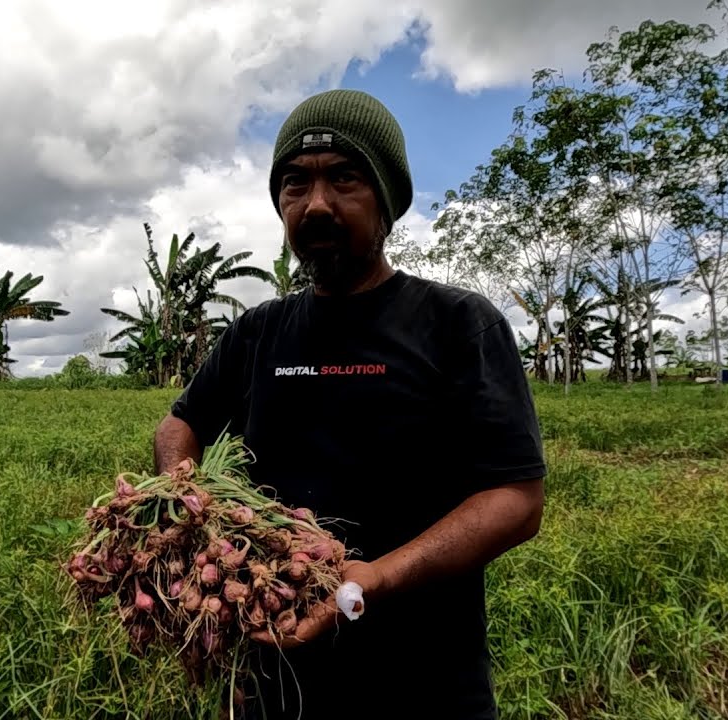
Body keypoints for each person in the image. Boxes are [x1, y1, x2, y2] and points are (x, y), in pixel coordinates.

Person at [151, 88, 546, 720]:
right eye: (294, 185)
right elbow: (182, 422)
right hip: (276, 664)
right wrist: (187, 502)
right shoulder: (258, 331)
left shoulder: (458, 324)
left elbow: (517, 501)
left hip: (425, 681)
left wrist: (379, 576)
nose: (316, 205)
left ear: (387, 203)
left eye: (345, 179)